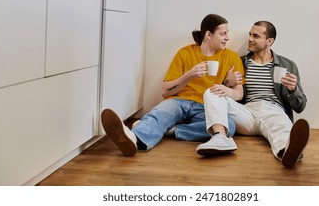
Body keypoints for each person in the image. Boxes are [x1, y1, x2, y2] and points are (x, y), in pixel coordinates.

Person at [101, 14, 245, 156]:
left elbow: (239, 93)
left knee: (229, 127)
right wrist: (189, 75)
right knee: (161, 112)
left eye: (227, 33)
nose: (228, 37)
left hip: (206, 107)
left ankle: (169, 130)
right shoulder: (184, 53)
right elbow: (165, 92)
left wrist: (228, 88)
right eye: (223, 33)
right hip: (180, 101)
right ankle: (134, 138)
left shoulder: (231, 58)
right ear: (208, 35)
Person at [196, 20, 309, 168]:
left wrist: (293, 90)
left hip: (273, 110)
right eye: (250, 34)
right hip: (246, 112)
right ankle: (220, 138)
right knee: (212, 92)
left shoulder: (287, 65)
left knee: (282, 128)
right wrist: (227, 83)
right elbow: (230, 93)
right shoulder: (240, 62)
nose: (249, 39)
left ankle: (287, 151)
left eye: (256, 36)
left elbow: (300, 106)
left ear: (269, 41)